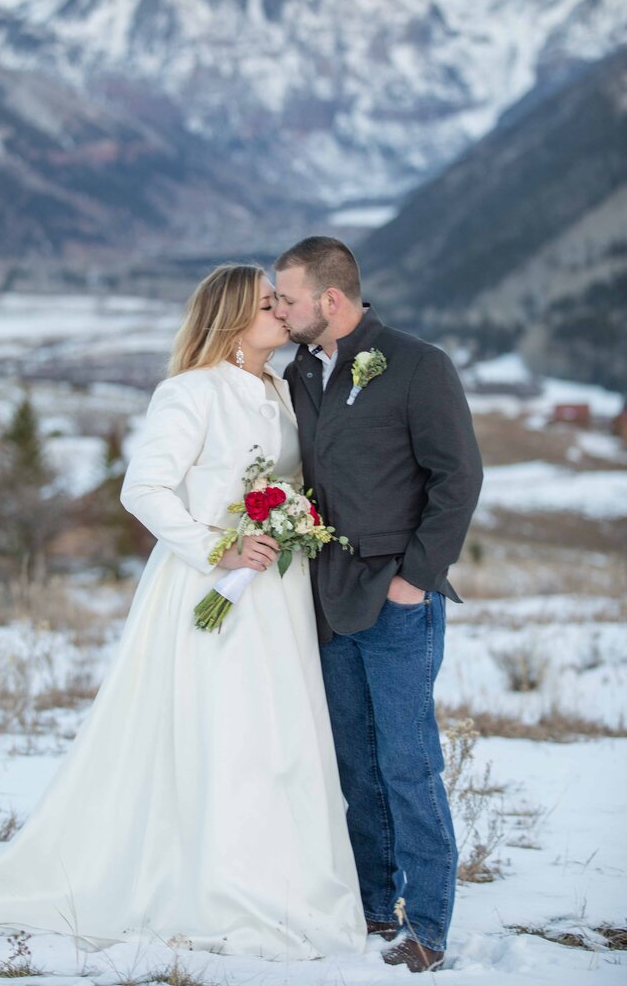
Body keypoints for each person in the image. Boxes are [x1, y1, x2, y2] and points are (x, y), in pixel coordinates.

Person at [0, 265, 366, 962]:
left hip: (277, 591)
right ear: (230, 317)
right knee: (222, 728)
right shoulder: (190, 391)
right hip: (209, 582)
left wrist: (292, 523)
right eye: (268, 304)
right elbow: (144, 489)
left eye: (282, 302)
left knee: (278, 736)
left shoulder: (280, 389)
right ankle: (215, 880)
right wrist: (217, 547)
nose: (283, 313)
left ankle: (284, 877)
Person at [274, 236, 483, 974]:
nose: (279, 309)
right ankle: (372, 904)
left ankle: (427, 926)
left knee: (407, 765)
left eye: (288, 298)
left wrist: (415, 579)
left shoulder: (419, 366)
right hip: (327, 598)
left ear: (331, 300)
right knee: (355, 768)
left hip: (397, 599)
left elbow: (458, 478)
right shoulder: (300, 371)